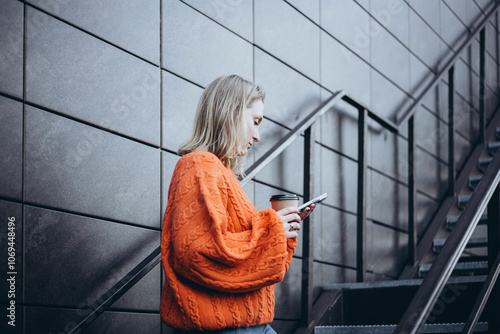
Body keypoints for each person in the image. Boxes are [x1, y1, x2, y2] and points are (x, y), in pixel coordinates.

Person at [160, 74, 315, 333]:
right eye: (255, 122)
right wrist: (272, 228)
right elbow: (196, 254)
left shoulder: (220, 171)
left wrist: (282, 230)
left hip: (251, 324)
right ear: (230, 113)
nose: (257, 136)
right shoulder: (199, 164)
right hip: (229, 328)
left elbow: (259, 267)